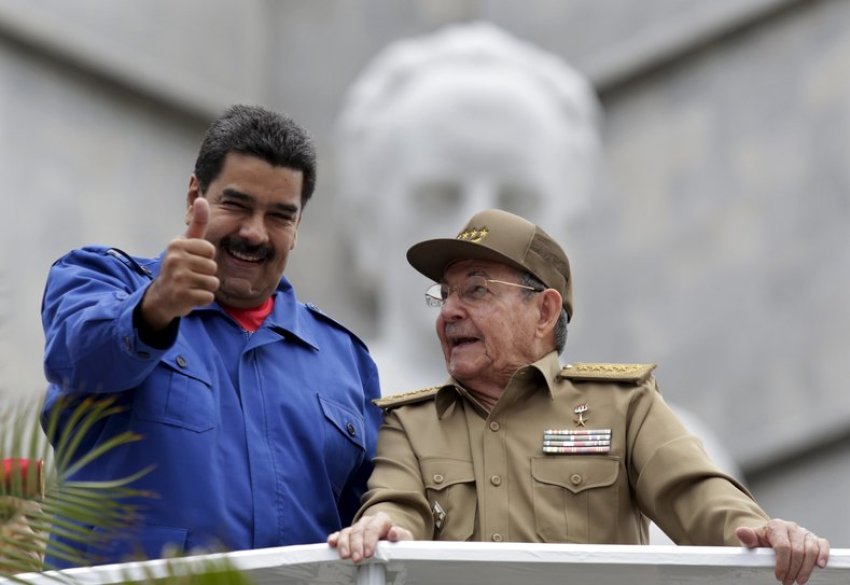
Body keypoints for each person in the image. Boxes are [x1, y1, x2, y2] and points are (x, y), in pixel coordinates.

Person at [328, 209, 830, 585]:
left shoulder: (623, 406)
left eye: (476, 291)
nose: (448, 312)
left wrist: (765, 534)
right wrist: (381, 529)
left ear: (545, 312)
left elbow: (699, 497)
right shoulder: (412, 423)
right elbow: (395, 506)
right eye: (444, 294)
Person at [40, 105, 382, 567]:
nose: (254, 233)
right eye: (236, 205)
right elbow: (75, 357)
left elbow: (372, 510)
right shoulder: (103, 281)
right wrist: (153, 309)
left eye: (280, 216)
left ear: (298, 226)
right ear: (194, 196)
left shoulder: (345, 358)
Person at [334, 22, 600, 393]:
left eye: (517, 201)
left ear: (571, 230)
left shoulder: (647, 442)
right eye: (439, 195)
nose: (482, 235)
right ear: (367, 225)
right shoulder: (302, 430)